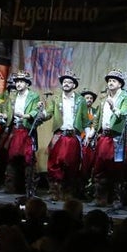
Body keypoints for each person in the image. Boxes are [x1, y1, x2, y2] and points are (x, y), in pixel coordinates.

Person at [87, 69, 127, 208]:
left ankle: (117, 200)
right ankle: (100, 198)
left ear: (120, 84)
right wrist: (93, 131)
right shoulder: (103, 98)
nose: (110, 83)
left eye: (114, 81)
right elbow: (97, 118)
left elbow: (124, 112)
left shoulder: (124, 97)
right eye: (109, 81)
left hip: (116, 137)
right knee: (100, 167)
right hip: (103, 136)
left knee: (117, 168)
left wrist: (114, 108)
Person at [45, 72, 89, 203]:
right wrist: (41, 112)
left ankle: (68, 194)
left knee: (72, 166)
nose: (66, 84)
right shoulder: (56, 98)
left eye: (69, 82)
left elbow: (85, 120)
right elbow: (48, 114)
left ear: (74, 85)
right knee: (54, 165)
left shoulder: (80, 100)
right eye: (64, 82)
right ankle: (54, 192)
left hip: (73, 137)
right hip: (60, 135)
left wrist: (87, 135)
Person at [0, 70, 45, 197]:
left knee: (28, 159)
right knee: (12, 158)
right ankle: (10, 187)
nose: (18, 84)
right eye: (17, 81)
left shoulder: (33, 96)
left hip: (26, 130)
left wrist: (26, 115)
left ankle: (29, 188)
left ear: (27, 84)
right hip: (15, 129)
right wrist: (4, 116)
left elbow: (36, 110)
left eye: (21, 81)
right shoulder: (12, 96)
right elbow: (9, 111)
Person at [79, 90, 101, 200]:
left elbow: (96, 125)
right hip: (80, 140)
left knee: (91, 166)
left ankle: (89, 191)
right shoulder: (78, 110)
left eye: (91, 98)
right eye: (87, 98)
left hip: (92, 142)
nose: (89, 100)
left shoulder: (96, 111)